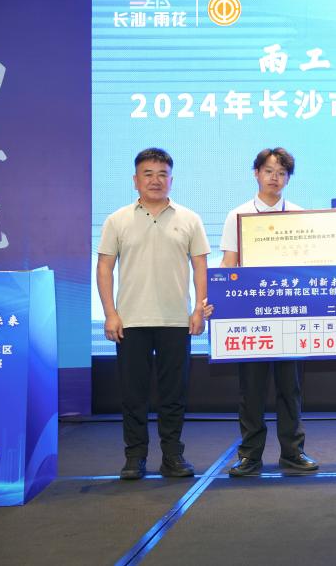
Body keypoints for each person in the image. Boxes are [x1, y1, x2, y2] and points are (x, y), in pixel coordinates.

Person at [97, 148, 211, 480]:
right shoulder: (117, 220)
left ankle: (173, 456)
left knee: (174, 394)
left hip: (176, 320)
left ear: (171, 180)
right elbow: (104, 268)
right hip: (130, 321)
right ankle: (135, 457)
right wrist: (110, 313)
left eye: (162, 174)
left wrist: (198, 309)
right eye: (148, 174)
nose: (155, 180)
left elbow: (200, 267)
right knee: (133, 395)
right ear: (136, 180)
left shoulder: (189, 219)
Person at [219, 148, 319, 477]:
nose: (274, 178)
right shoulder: (238, 215)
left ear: (288, 178)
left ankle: (293, 452)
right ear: (256, 173)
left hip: (290, 314)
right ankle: (250, 455)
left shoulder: (300, 215)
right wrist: (220, 302)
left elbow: (312, 264)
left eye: (281, 173)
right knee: (251, 390)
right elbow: (229, 264)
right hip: (251, 317)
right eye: (268, 171)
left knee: (290, 388)